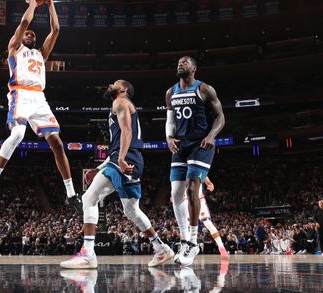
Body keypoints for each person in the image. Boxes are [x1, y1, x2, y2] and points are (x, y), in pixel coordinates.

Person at [0, 0, 81, 213]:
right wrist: (34, 2)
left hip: (39, 98)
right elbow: (25, 21)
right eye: (28, 34)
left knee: (57, 143)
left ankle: (71, 194)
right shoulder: (14, 48)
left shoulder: (41, 54)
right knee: (17, 135)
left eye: (33, 35)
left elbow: (56, 29)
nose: (31, 36)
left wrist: (51, 2)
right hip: (20, 94)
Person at [60, 80, 174, 269]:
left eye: (115, 83)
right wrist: (100, 168)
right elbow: (117, 145)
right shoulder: (122, 105)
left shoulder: (120, 102)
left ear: (123, 89)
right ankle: (161, 248)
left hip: (125, 158)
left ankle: (88, 254)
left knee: (89, 197)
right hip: (130, 159)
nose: (110, 85)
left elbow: (127, 131)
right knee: (131, 210)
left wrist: (120, 159)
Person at [165, 56, 225, 266]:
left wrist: (211, 136)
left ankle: (193, 241)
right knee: (175, 194)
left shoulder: (205, 89)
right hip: (180, 145)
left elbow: (220, 117)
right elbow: (170, 120)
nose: (180, 63)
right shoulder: (171, 92)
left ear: (194, 68)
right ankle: (184, 239)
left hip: (201, 144)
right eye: (179, 62)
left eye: (185, 62)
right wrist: (169, 137)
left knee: (192, 189)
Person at [177, 176, 229, 257]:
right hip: (186, 201)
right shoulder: (181, 171)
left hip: (199, 199)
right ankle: (183, 249)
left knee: (208, 224)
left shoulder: (199, 170)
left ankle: (221, 247)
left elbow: (209, 183)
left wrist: (211, 185)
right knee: (184, 227)